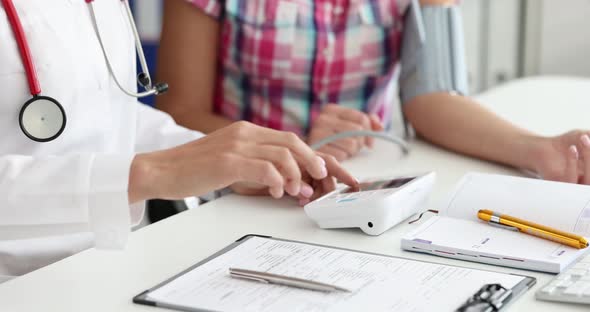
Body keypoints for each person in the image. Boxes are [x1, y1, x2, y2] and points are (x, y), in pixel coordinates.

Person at [0, 0, 357, 282]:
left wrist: (228, 161)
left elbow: (111, 113)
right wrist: (146, 174)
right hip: (16, 281)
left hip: (116, 266)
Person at [157, 0, 590, 185]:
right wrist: (292, 147)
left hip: (363, 185)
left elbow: (435, 97)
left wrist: (540, 151)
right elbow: (179, 110)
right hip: (239, 189)